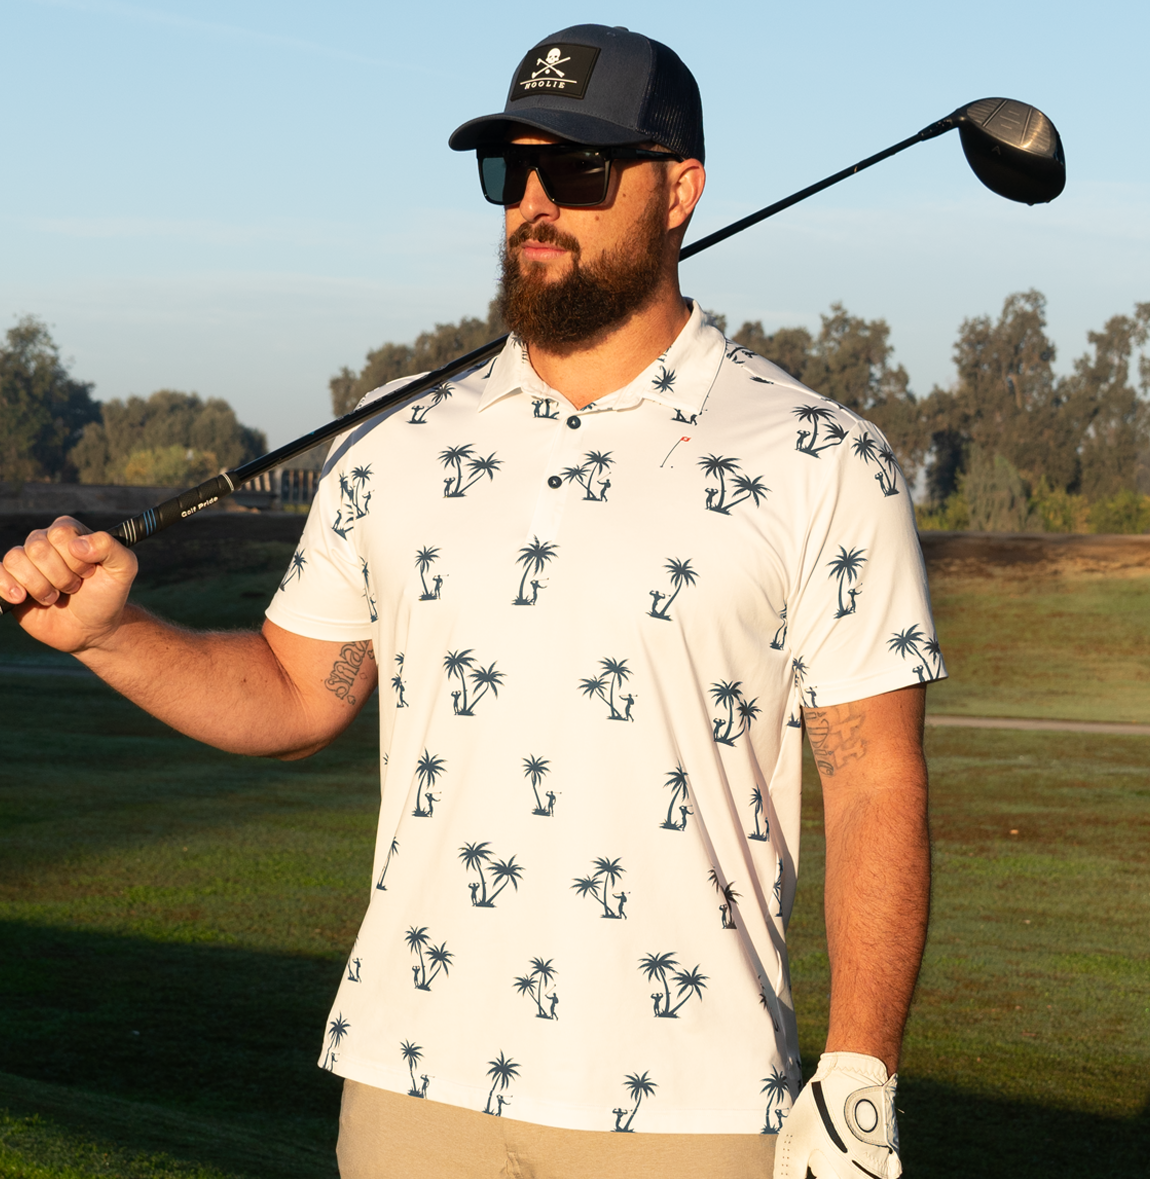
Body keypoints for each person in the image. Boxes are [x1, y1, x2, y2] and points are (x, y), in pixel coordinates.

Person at [0, 23, 940, 1179]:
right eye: (513, 169)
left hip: (686, 1101)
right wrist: (113, 638)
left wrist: (856, 1071)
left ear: (680, 190)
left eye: (580, 170)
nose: (536, 202)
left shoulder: (818, 458)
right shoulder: (394, 434)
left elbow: (872, 779)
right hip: (410, 1081)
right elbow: (297, 692)